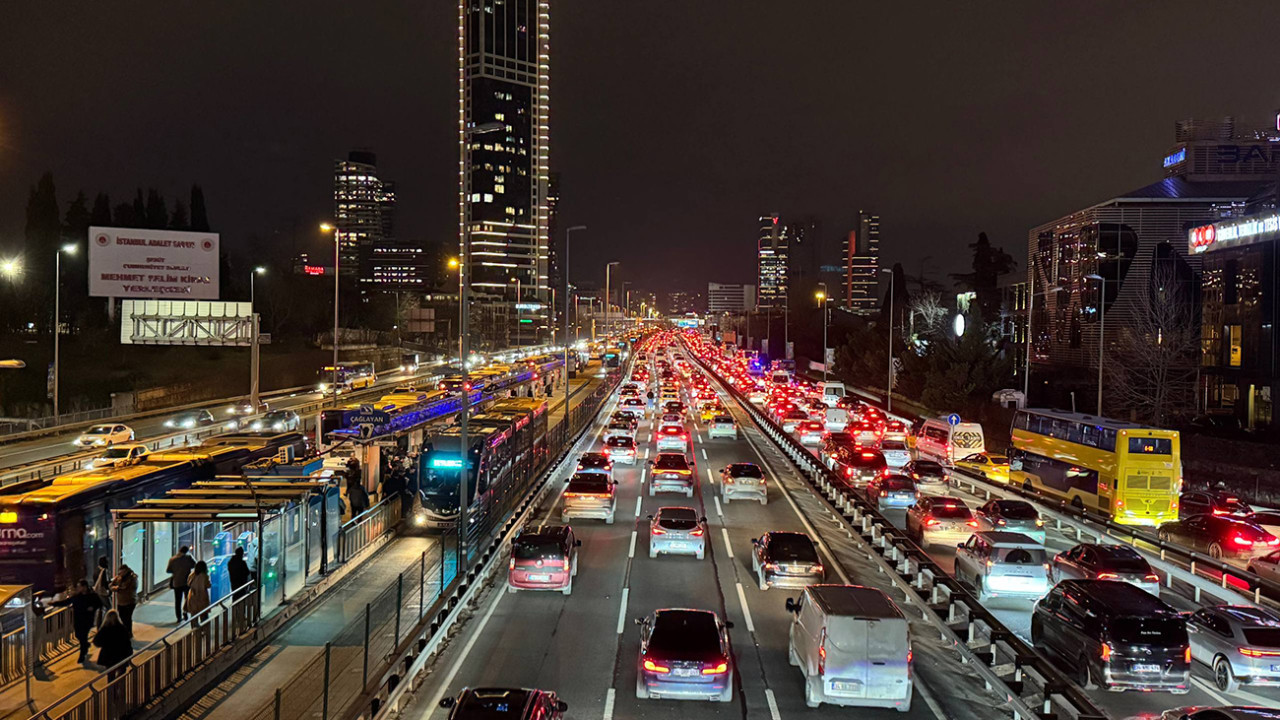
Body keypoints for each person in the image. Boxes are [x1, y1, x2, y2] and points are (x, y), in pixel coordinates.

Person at [52, 580, 103, 663]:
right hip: (78, 619)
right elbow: (66, 602)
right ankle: (85, 645)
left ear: (84, 587)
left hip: (87, 619)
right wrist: (54, 604)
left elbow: (99, 604)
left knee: (83, 636)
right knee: (78, 635)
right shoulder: (77, 597)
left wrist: (92, 608)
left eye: (79, 586)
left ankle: (82, 654)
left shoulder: (92, 596)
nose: (78, 588)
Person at [166, 546, 196, 622]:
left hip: (177, 582)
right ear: (186, 551)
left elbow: (168, 570)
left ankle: (178, 617)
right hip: (187, 582)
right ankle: (185, 612)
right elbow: (195, 565)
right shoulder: (188, 558)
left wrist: (176, 571)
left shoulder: (172, 559)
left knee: (178, 600)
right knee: (187, 599)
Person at [109, 564, 138, 637]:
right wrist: (117, 588)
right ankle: (127, 632)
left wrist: (119, 588)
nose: (120, 573)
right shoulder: (119, 577)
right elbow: (111, 586)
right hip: (121, 602)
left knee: (127, 617)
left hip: (130, 601)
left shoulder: (132, 577)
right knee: (122, 617)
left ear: (125, 571)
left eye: (122, 572)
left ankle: (128, 633)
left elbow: (131, 588)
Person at [91, 556, 111, 623]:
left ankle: (99, 624)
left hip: (96, 591)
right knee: (109, 607)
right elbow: (105, 583)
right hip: (102, 592)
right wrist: (109, 589)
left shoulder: (96, 570)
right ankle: (106, 623)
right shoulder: (104, 571)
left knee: (100, 608)